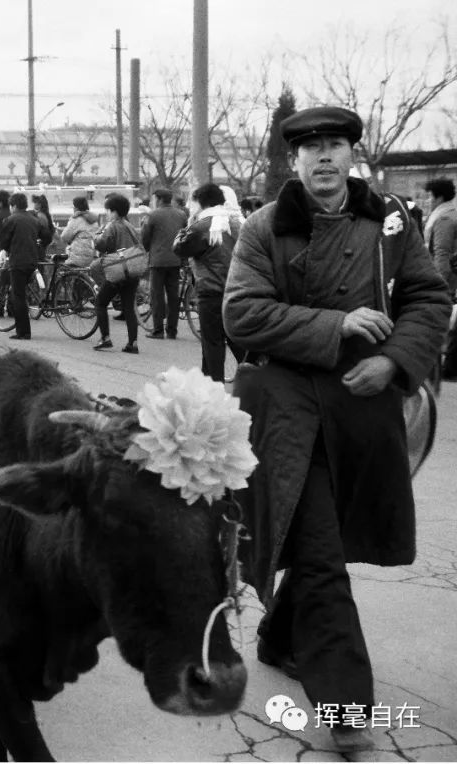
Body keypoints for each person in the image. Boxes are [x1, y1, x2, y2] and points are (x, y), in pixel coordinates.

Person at [223, 106, 450, 754]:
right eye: (310, 148)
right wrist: (338, 326)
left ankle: (276, 637)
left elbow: (428, 299)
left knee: (329, 538)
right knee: (321, 552)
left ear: (353, 156)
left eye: (335, 146)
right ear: (293, 162)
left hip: (362, 407)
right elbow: (241, 314)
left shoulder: (390, 224)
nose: (323, 158)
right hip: (285, 408)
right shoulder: (265, 227)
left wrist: (394, 361)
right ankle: (347, 709)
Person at [172, 183, 243, 381]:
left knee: (213, 342)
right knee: (235, 337)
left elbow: (179, 248)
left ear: (201, 202)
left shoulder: (202, 225)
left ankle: (214, 387)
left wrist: (187, 226)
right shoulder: (235, 222)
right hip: (237, 289)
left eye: (193, 202)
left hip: (211, 290)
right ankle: (255, 377)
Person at [92, 193, 142, 353]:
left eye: (108, 211)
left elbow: (102, 245)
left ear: (114, 212)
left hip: (118, 271)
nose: (107, 214)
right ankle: (132, 344)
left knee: (100, 302)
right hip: (132, 271)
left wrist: (96, 237)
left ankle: (105, 338)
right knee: (128, 308)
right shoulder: (130, 226)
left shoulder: (112, 226)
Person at [141, 188, 189, 339]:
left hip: (158, 261)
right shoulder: (181, 215)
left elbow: (145, 238)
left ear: (159, 199)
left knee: (157, 295)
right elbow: (185, 235)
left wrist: (149, 249)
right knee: (173, 296)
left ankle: (158, 330)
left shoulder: (152, 215)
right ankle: (172, 331)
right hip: (176, 260)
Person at [0, 192, 43, 340]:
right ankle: (24, 329)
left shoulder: (11, 219)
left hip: (18, 262)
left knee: (18, 296)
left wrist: (6, 249)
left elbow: (3, 241)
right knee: (22, 294)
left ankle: (23, 332)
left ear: (14, 206)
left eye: (11, 206)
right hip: (32, 261)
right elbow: (46, 235)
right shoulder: (34, 218)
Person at [423, 177, 457, 379]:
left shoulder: (444, 218)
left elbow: (441, 255)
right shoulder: (452, 213)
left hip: (446, 283)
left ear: (439, 197)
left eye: (429, 196)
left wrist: (439, 289)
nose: (427, 200)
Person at [60, 195, 101, 269]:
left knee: (62, 271)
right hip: (92, 257)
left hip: (77, 258)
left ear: (76, 208)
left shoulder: (76, 219)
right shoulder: (94, 220)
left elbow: (64, 237)